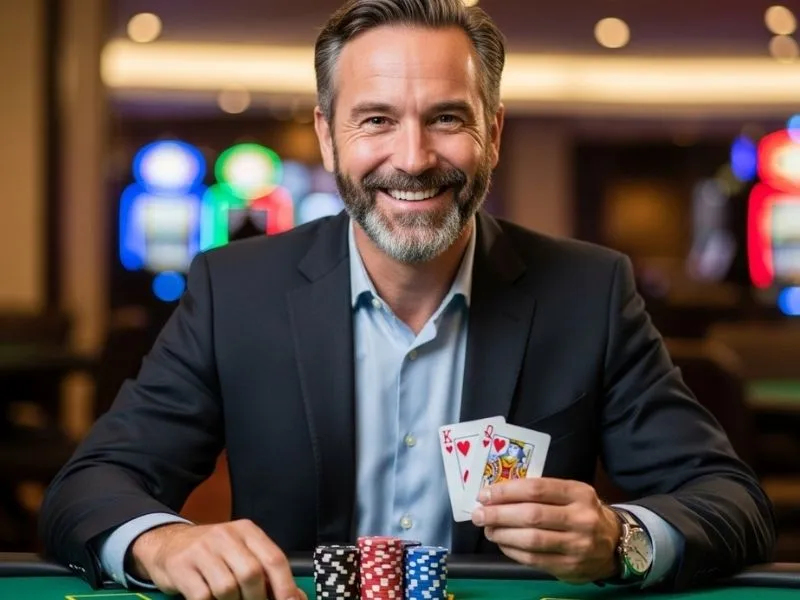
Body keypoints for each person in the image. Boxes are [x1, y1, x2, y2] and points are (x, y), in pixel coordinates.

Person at [40, 0, 775, 599]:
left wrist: (623, 540)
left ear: (493, 134)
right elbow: (91, 486)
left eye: (447, 118)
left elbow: (728, 499)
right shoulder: (235, 290)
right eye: (377, 119)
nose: (414, 158)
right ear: (329, 137)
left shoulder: (588, 292)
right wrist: (162, 541)